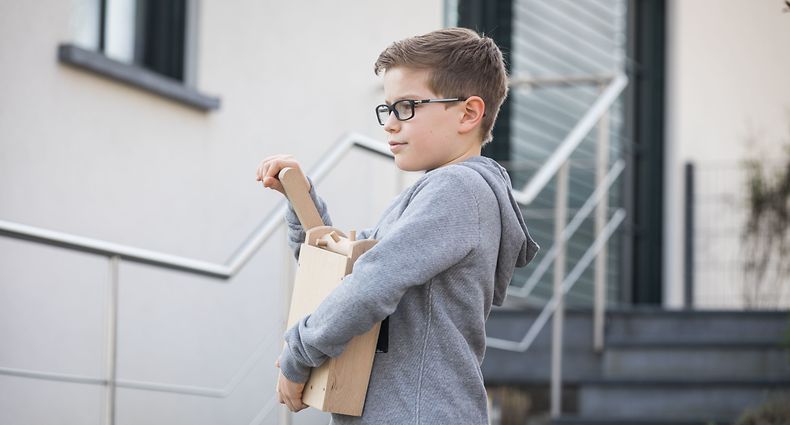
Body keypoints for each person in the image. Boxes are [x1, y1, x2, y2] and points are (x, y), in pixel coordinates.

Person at [255, 27, 538, 424]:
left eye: (407, 106)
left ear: (469, 113)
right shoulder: (432, 191)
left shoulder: (458, 189)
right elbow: (346, 273)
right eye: (387, 108)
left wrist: (296, 356)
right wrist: (299, 198)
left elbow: (371, 284)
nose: (390, 123)